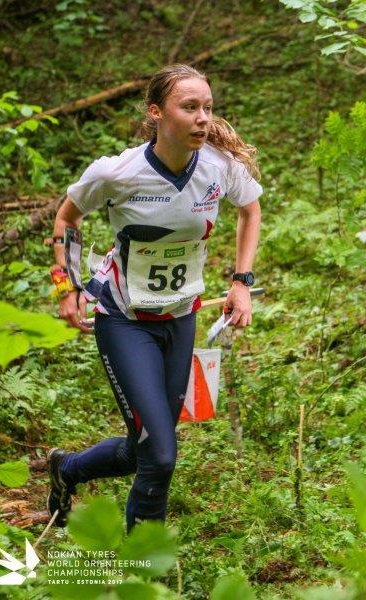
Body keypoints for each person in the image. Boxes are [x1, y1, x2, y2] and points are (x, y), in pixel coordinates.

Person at [47, 63, 262, 532]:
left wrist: (241, 281)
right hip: (124, 320)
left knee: (141, 448)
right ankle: (145, 569)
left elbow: (250, 209)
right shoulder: (118, 173)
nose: (203, 117)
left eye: (207, 107)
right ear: (156, 112)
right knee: (160, 455)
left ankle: (67, 469)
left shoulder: (219, 168)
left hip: (181, 319)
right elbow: (67, 220)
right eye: (190, 107)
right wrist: (68, 287)